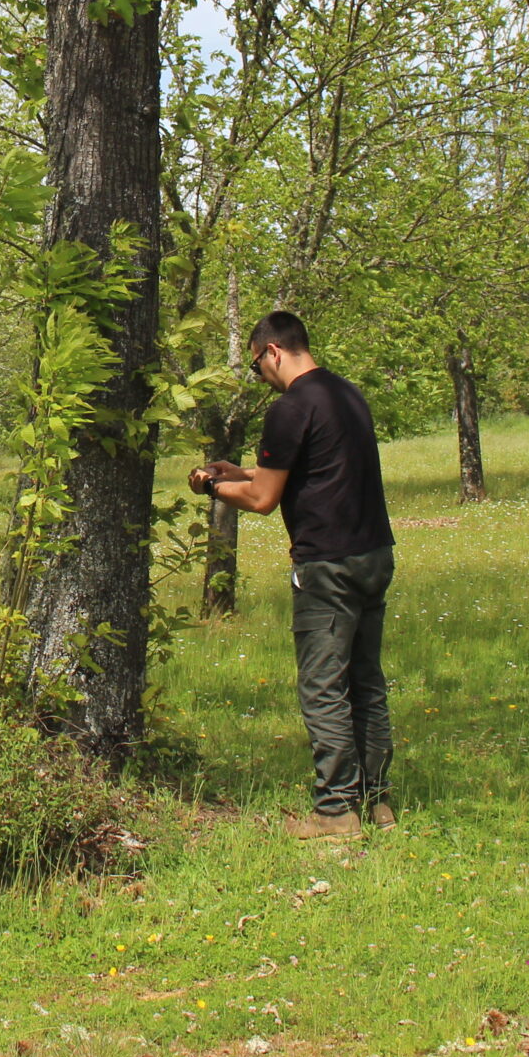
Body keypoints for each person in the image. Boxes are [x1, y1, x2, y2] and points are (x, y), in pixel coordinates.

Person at [191, 311, 397, 840]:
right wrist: (237, 471)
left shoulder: (289, 408)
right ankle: (377, 802)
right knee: (366, 681)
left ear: (273, 352)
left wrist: (211, 486)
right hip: (374, 554)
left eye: (256, 366)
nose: (260, 376)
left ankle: (335, 812)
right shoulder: (346, 395)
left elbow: (263, 499)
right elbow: (311, 468)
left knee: (323, 686)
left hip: (327, 564)